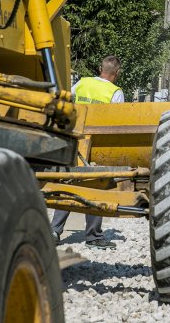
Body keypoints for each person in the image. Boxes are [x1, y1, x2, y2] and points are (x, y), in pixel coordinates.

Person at [51, 55, 124, 249]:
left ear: (101, 68)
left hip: (76, 140)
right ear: (116, 74)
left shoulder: (82, 83)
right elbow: (118, 123)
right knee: (95, 187)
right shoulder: (116, 92)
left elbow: (67, 104)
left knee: (69, 183)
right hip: (98, 146)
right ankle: (93, 237)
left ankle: (55, 230)